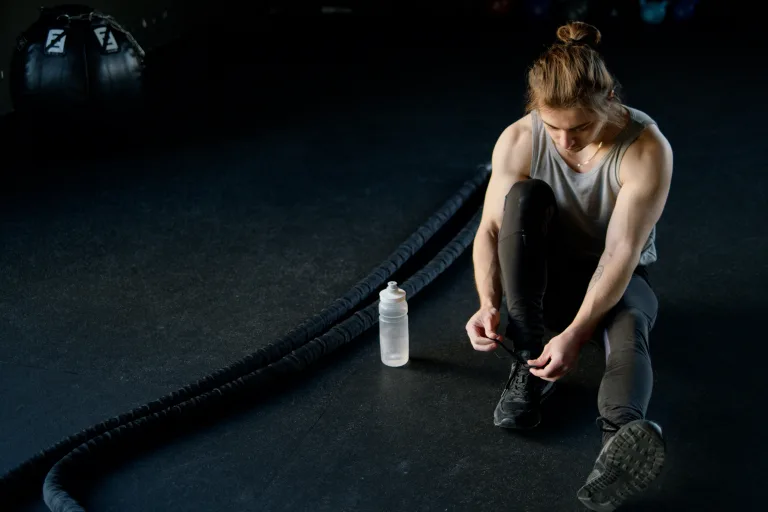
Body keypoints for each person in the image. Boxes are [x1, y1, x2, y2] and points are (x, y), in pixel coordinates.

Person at [464, 21, 673, 511]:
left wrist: (577, 333)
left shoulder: (646, 148)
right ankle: (529, 363)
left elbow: (621, 252)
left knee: (632, 326)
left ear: (609, 102)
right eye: (552, 126)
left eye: (578, 128)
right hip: (540, 270)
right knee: (524, 196)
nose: (564, 141)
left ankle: (618, 448)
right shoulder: (519, 138)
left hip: (613, 273)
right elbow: (491, 232)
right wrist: (487, 303)